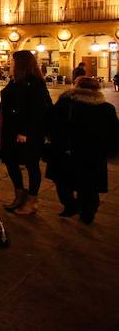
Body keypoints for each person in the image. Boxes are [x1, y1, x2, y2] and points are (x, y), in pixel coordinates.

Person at [45, 76, 119, 224]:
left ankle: (70, 205)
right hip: (93, 155)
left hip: (66, 151)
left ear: (76, 86)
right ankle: (88, 213)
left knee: (63, 181)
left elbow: (51, 123)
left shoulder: (66, 103)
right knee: (90, 186)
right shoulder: (106, 108)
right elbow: (114, 133)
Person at [0, 50, 52, 216]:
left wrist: (25, 131)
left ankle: (32, 200)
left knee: (31, 165)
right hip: (10, 131)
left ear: (21, 64)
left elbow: (38, 110)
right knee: (11, 163)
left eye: (13, 62)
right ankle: (19, 194)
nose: (10, 64)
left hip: (27, 133)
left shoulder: (35, 83)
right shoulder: (15, 81)